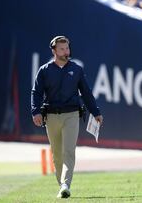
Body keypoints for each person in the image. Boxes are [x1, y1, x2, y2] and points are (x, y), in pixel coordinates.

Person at [31, 36, 103, 198]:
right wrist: (35, 111)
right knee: (56, 155)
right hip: (51, 117)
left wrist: (95, 112)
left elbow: (86, 92)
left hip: (71, 115)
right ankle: (62, 186)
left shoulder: (76, 69)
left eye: (67, 48)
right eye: (62, 49)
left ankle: (66, 184)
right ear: (54, 50)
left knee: (69, 151)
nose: (66, 52)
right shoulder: (44, 70)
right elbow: (36, 93)